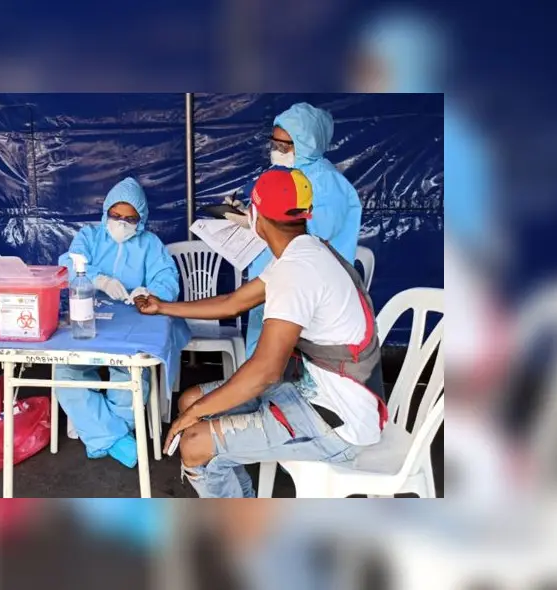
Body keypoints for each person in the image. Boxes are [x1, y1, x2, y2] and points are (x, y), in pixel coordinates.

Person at [135, 168, 386, 498]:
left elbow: (266, 371)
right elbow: (233, 303)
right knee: (191, 399)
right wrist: (164, 306)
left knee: (194, 443)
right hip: (313, 393)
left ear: (255, 216)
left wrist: (195, 416)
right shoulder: (305, 250)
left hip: (337, 422)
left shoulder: (296, 272)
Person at [55, 177, 180, 467]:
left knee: (130, 374)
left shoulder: (150, 244)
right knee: (64, 371)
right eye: (116, 216)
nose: (122, 223)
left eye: (130, 218)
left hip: (134, 322)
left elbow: (167, 279)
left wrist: (148, 292)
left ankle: (101, 435)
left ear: (142, 219)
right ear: (105, 213)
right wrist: (98, 279)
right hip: (89, 318)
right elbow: (68, 263)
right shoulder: (89, 236)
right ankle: (115, 438)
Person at [225, 103, 362, 361]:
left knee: (284, 360)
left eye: (285, 146)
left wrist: (255, 221)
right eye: (274, 144)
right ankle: (260, 396)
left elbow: (309, 232)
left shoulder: (326, 183)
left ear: (307, 144)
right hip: (276, 278)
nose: (277, 151)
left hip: (305, 286)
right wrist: (249, 210)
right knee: (264, 353)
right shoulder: (285, 174)